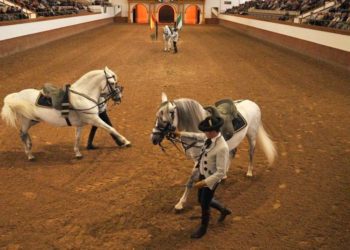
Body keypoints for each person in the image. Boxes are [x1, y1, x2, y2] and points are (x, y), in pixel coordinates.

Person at [176, 115, 231, 239]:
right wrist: (181, 134)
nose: (204, 133)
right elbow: (196, 135)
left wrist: (204, 182)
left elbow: (221, 172)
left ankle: (203, 227)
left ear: (212, 132)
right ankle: (223, 209)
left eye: (206, 131)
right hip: (203, 174)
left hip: (211, 180)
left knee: (204, 204)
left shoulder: (222, 148)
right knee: (201, 200)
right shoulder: (209, 137)